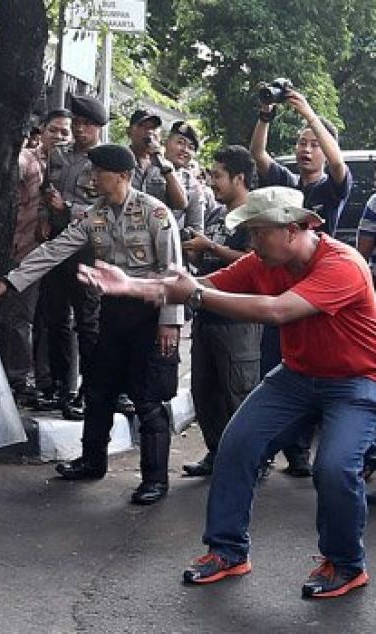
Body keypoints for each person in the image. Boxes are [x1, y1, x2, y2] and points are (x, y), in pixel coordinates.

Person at [78, 186, 376, 598]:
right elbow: (197, 283)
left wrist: (196, 294)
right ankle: (227, 550)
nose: (252, 244)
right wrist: (131, 284)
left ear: (292, 229)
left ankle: (345, 563)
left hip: (355, 382)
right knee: (235, 445)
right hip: (297, 376)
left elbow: (276, 310)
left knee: (335, 468)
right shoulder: (264, 261)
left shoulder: (342, 264)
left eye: (259, 233)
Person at [0, 144, 183, 505]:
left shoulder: (155, 213)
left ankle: (155, 478)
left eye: (99, 171)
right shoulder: (93, 216)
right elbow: (54, 250)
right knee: (99, 390)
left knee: (147, 398)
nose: (91, 178)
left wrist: (170, 323)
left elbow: (174, 272)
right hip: (112, 313)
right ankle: (91, 461)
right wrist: (9, 282)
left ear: (122, 175)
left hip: (150, 314)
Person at [251, 87, 352, 477]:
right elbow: (259, 155)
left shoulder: (332, 188)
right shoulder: (286, 188)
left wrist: (310, 112)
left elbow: (340, 164)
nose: (306, 149)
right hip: (282, 288)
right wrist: (266, 113)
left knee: (312, 366)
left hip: (320, 293)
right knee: (274, 366)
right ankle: (262, 454)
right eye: (300, 143)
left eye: (314, 143)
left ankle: (298, 451)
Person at [179, 146, 261, 477]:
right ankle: (217, 454)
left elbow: (254, 261)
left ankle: (252, 459)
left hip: (238, 318)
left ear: (238, 178)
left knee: (239, 393)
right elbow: (208, 260)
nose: (212, 182)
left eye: (218, 175)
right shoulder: (216, 214)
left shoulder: (255, 216)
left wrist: (209, 246)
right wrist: (194, 252)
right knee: (205, 390)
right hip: (206, 313)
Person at [32, 94, 107, 420]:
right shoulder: (59, 154)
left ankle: (90, 390)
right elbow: (47, 191)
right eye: (77, 123)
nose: (80, 130)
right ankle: (63, 387)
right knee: (56, 320)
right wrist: (45, 217)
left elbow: (108, 210)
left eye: (87, 125)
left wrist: (69, 209)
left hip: (89, 251)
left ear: (99, 128)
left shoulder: (106, 160)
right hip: (57, 248)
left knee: (88, 324)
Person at [2, 109, 71, 403]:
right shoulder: (26, 161)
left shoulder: (65, 168)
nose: (58, 136)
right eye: (53, 130)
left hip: (56, 256)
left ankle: (46, 380)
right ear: (41, 130)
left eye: (64, 132)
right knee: (22, 318)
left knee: (50, 320)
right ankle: (18, 378)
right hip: (24, 251)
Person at [128, 109, 188, 213]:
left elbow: (181, 204)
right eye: (143, 127)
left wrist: (164, 167)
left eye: (154, 128)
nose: (150, 132)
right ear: (129, 132)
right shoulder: (120, 160)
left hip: (156, 225)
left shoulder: (166, 166)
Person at [163, 121, 206, 233]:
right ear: (165, 142)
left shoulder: (192, 185)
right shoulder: (145, 168)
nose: (185, 150)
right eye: (180, 142)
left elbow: (196, 229)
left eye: (191, 148)